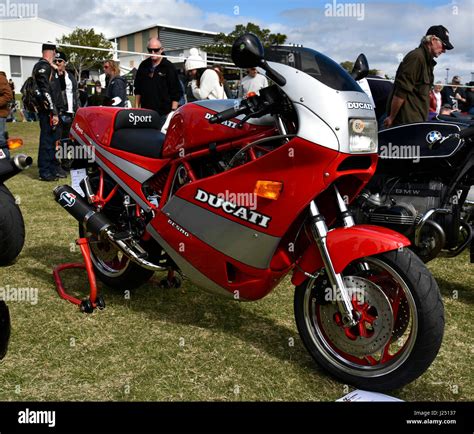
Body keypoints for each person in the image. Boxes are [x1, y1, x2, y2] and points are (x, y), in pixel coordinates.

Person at [384, 25, 453, 128]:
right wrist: (391, 118)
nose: (444, 50)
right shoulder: (416, 57)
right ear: (433, 40)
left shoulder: (426, 61)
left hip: (417, 122)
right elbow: (401, 92)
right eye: (443, 46)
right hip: (406, 123)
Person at [134, 37, 182, 129]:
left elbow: (176, 91)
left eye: (155, 50)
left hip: (163, 114)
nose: (152, 53)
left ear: (161, 50)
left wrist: (172, 112)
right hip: (145, 113)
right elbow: (138, 89)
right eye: (150, 50)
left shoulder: (169, 67)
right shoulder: (143, 65)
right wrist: (136, 108)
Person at [33, 42, 65, 181]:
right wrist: (54, 112)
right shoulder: (42, 67)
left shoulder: (50, 68)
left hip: (54, 110)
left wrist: (59, 72)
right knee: (47, 141)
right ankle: (45, 171)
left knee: (54, 142)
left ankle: (52, 169)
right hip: (48, 111)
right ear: (51, 52)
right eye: (55, 54)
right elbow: (45, 91)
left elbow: (57, 89)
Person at [0, 71, 14, 160]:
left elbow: (8, 95)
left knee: (0, 139)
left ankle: (6, 161)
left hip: (0, 114)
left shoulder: (1, 78)